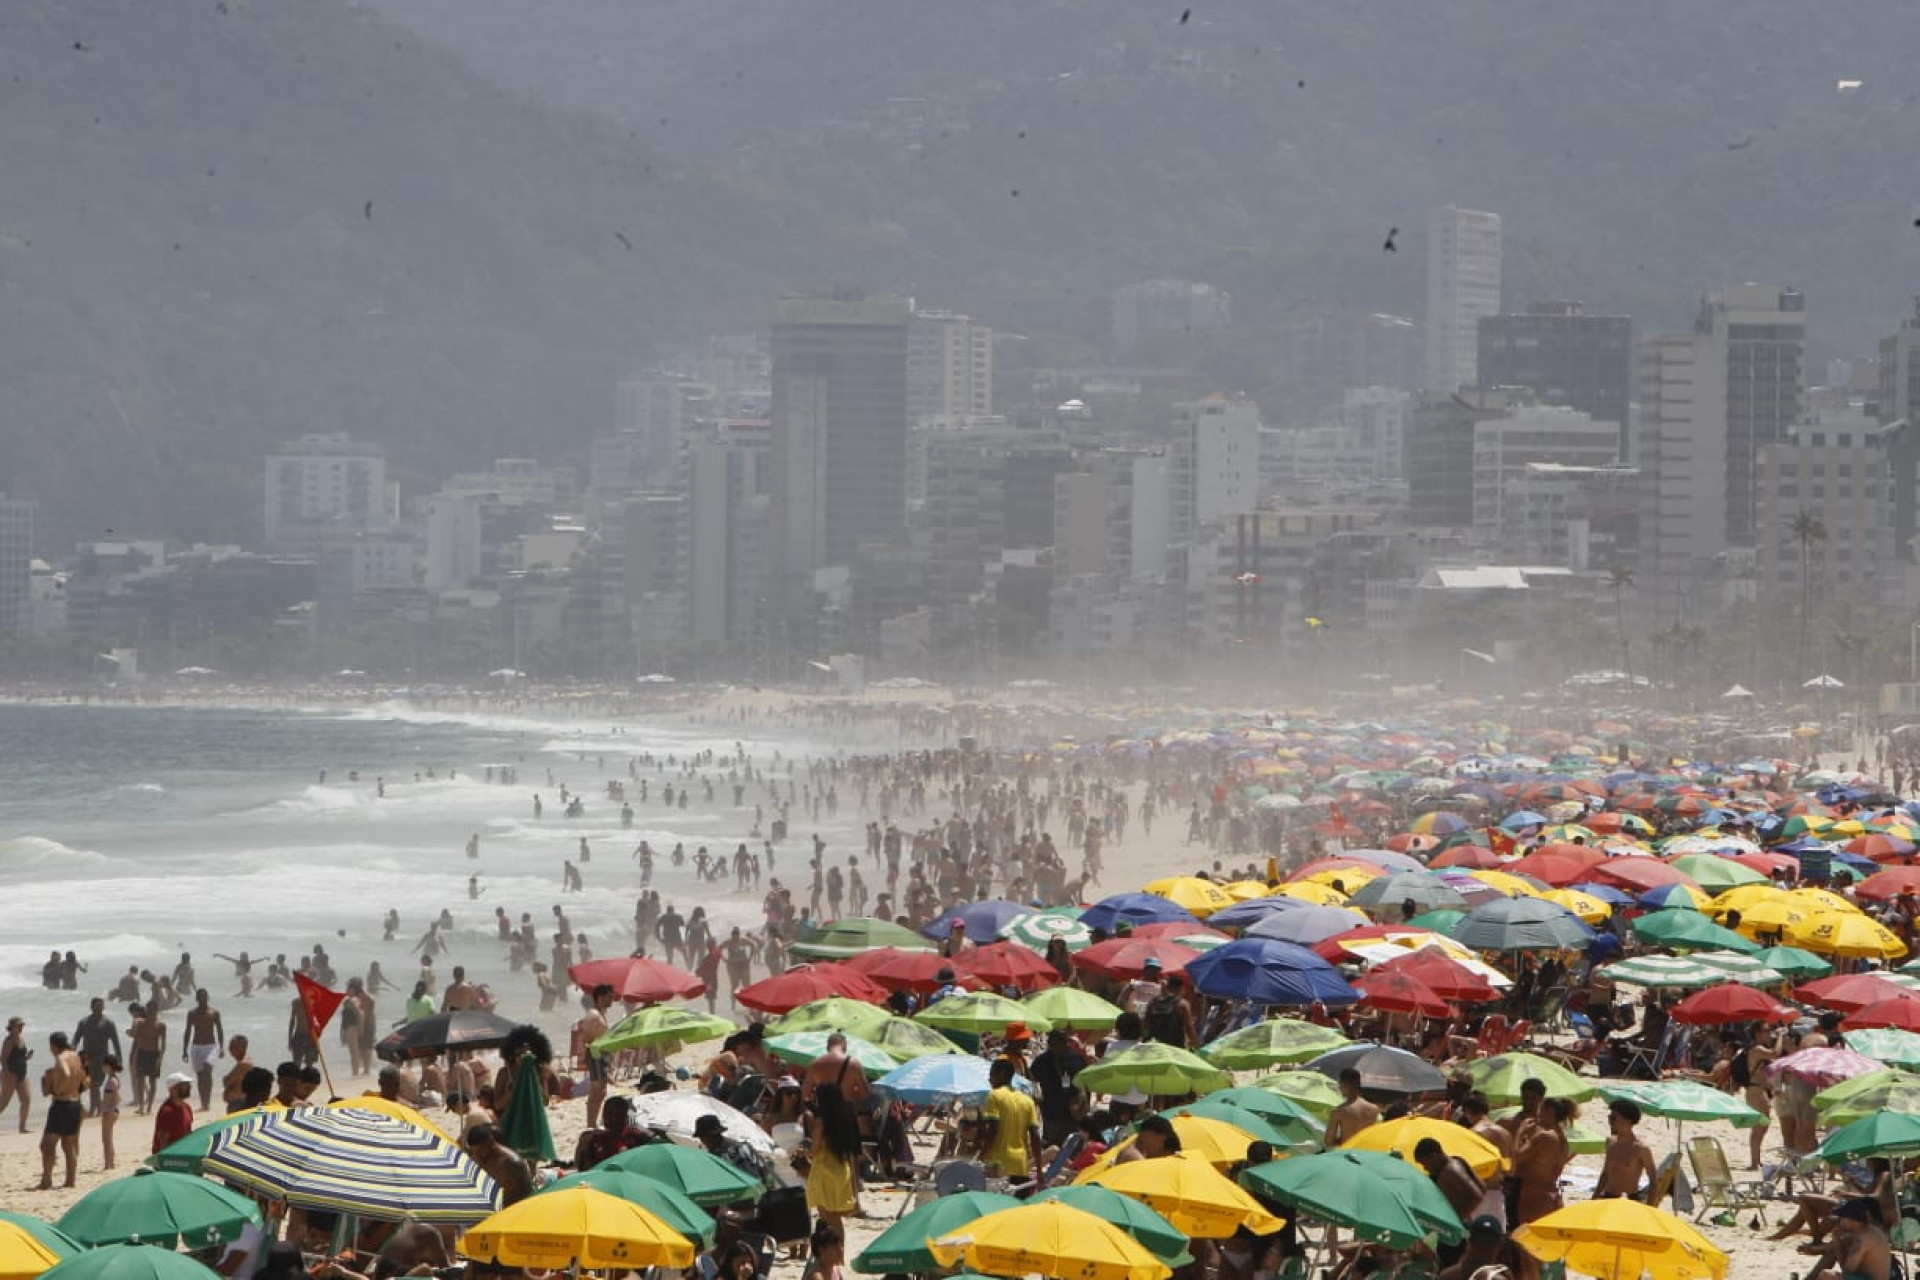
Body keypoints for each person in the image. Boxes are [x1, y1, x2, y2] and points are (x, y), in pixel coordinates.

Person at [1413, 1137, 1485, 1268]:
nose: (1425, 1168)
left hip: (1455, 1231)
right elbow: (1483, 1187)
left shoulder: (1450, 1170)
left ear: (1434, 1156)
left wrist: (1456, 1220)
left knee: (1450, 1268)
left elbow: (1477, 1195)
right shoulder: (1458, 1161)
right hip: (1458, 1228)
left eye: (1425, 1163)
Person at [801, 1081, 863, 1231]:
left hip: (823, 1172)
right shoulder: (843, 1121)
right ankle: (839, 1251)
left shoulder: (821, 1122)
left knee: (827, 1218)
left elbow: (815, 1150)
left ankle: (835, 1251)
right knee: (836, 1219)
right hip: (841, 1170)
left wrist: (803, 1152)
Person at [1512, 1097, 1574, 1224]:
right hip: (1552, 1194)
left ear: (1549, 1111)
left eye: (1540, 1110)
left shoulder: (1543, 1136)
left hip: (1534, 1196)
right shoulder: (1562, 1139)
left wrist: (1520, 1131)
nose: (1538, 1114)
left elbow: (1516, 1157)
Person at [36, 1031, 85, 1190]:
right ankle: (70, 1180)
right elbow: (81, 1076)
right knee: (68, 1144)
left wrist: (58, 1089)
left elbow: (66, 1072)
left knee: (47, 1144)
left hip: (62, 1104)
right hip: (75, 1103)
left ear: (54, 1046)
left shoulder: (60, 1057)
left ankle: (46, 1180)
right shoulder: (75, 1056)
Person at [978, 1057, 1041, 1182]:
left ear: (1001, 1074)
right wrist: (1039, 1169)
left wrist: (981, 1156)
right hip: (1021, 1165)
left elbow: (993, 1129)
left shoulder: (994, 1095)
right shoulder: (1027, 1100)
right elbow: (1035, 1136)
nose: (989, 1079)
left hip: (998, 1165)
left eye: (992, 1075)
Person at [1027, 1028, 1087, 1147]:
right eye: (1052, 1044)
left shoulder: (1075, 1059)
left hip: (1073, 1115)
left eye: (1059, 1043)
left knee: (1072, 1148)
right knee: (1051, 1148)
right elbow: (1031, 1081)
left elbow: (1085, 1081)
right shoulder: (1041, 1061)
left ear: (1065, 1043)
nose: (1055, 1047)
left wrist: (1083, 1105)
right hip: (1051, 1114)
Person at [1812, 1198, 1893, 1280]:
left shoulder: (1861, 1240)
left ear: (1851, 1220)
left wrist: (1837, 1242)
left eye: (1842, 1218)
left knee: (1826, 1275)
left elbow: (1846, 1272)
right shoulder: (1871, 1230)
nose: (1840, 1221)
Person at [1595, 1099, 1657, 1200]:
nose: (1610, 1122)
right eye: (1609, 1118)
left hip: (1629, 1200)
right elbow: (1606, 1173)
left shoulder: (1641, 1150)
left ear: (1627, 1121)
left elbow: (1653, 1181)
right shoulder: (1610, 1143)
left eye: (1614, 1118)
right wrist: (1595, 1198)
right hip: (1608, 1197)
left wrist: (1650, 1208)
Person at [694, 1111, 772, 1188]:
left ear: (713, 1135)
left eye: (703, 1137)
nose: (702, 1141)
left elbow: (758, 1171)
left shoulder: (739, 1149)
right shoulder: (711, 1154)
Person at [73, 997, 122, 1117]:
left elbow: (115, 1041)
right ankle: (96, 1108)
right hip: (87, 1058)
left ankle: (95, 1109)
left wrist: (119, 1059)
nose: (98, 1007)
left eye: (101, 1005)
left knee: (96, 1085)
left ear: (103, 1007)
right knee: (91, 1085)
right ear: (91, 1007)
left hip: (102, 1059)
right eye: (96, 1005)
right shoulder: (84, 1022)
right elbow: (76, 1038)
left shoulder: (108, 1023)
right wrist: (71, 1053)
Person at [577, 983, 616, 1127]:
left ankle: (592, 1122)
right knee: (597, 1091)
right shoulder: (594, 1015)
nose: (612, 1000)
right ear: (600, 997)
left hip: (601, 1054)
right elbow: (586, 1038)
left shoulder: (601, 1014)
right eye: (609, 997)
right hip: (596, 1054)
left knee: (601, 1091)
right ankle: (591, 1122)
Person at [465, 1123, 533, 1205]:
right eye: (473, 1152)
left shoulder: (512, 1163)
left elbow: (523, 1194)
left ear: (491, 1144)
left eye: (479, 1152)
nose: (476, 1156)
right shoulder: (477, 1158)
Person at [183, 989, 224, 1111]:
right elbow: (188, 1031)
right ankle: (203, 1103)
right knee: (200, 1075)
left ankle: (208, 1101)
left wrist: (221, 1047)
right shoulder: (192, 1013)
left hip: (210, 1046)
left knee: (207, 1071)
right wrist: (184, 1049)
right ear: (196, 998)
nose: (202, 999)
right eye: (200, 997)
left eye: (204, 997)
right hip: (196, 1046)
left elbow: (219, 1030)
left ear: (208, 997)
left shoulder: (214, 1013)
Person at [573, 1095, 639, 1171]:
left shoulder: (592, 1139)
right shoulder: (634, 1138)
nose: (611, 1119)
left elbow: (581, 1168)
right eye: (609, 1115)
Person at [1324, 1068, 1380, 1146]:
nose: (1340, 1088)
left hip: (1347, 1150)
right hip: (1365, 1151)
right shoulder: (1374, 1109)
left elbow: (1329, 1141)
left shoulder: (1339, 1111)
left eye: (1340, 1085)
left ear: (1346, 1084)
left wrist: (1343, 1140)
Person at [0, 1017, 30, 1133]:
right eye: (17, 1026)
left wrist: (26, 1057)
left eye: (21, 1026)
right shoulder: (9, 1040)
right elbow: (3, 1059)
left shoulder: (21, 1039)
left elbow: (19, 1056)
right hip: (10, 1074)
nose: (20, 1028)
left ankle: (22, 1127)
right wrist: (6, 1074)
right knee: (4, 1102)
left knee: (26, 1099)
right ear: (11, 1028)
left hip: (21, 1072)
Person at [152, 1071, 194, 1154]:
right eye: (184, 1085)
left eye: (188, 1084)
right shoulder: (167, 1111)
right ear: (173, 1089)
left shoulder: (187, 1107)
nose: (189, 1087)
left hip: (183, 1153)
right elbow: (163, 1141)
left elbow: (187, 1134)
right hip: (171, 1156)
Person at [98, 1054, 123, 1170]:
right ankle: (110, 1163)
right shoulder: (114, 1079)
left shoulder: (112, 1081)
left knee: (106, 1139)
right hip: (111, 1110)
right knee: (108, 1138)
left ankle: (108, 1164)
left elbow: (117, 1097)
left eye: (104, 1065)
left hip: (109, 1111)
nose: (102, 1067)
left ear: (108, 1066)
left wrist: (110, 1108)